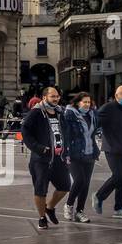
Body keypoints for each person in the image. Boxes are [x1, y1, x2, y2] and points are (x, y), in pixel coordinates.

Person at [20, 86, 71, 230]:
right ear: (44, 97)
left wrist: (66, 150)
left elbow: (65, 131)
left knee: (65, 186)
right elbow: (25, 131)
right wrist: (39, 148)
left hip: (58, 158)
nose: (56, 99)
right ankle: (42, 217)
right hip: (41, 160)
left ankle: (49, 207)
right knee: (40, 189)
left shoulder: (60, 112)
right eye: (52, 96)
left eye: (57, 96)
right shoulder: (36, 112)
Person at [93, 84, 122, 219]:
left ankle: (120, 208)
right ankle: (99, 196)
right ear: (116, 96)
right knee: (118, 176)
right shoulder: (107, 108)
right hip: (111, 148)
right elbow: (94, 124)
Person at [60, 92, 99, 223]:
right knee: (79, 180)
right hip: (74, 153)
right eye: (84, 102)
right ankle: (69, 205)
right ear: (77, 103)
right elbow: (66, 135)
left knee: (86, 183)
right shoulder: (69, 115)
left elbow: (93, 134)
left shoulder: (92, 115)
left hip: (89, 153)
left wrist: (96, 149)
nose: (87, 105)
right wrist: (66, 152)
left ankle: (80, 211)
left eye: (89, 102)